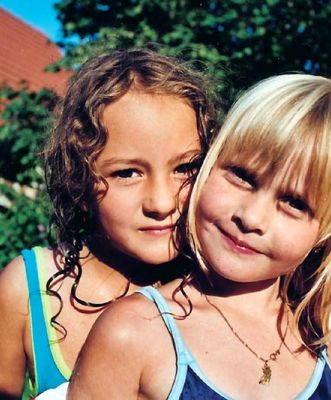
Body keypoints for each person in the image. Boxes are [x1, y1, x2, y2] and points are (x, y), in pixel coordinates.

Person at [68, 74, 331, 399]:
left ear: (329, 231)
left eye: (294, 203)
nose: (251, 218)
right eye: (242, 176)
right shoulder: (134, 332)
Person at [0, 48, 218, 399]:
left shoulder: (220, 291)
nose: (162, 203)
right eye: (127, 173)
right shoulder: (26, 290)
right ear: (78, 180)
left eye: (185, 168)